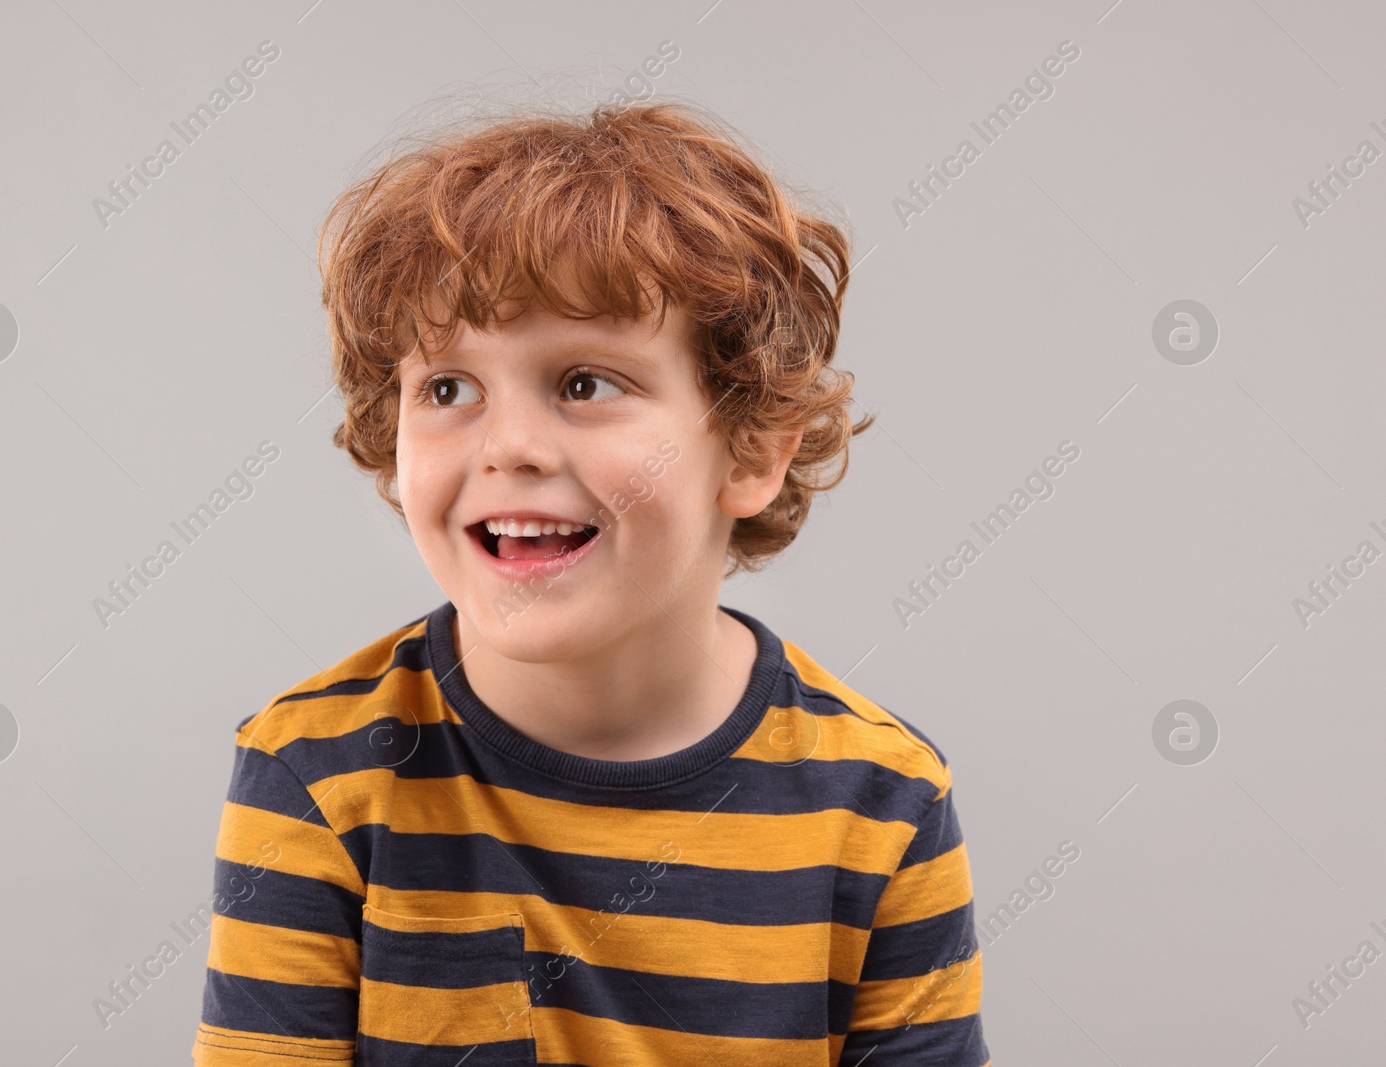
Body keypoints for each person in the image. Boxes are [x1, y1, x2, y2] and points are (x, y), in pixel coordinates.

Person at [191, 99, 990, 1066]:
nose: (509, 447)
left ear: (750, 449)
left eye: (584, 383)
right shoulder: (315, 776)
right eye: (447, 389)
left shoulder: (883, 805)